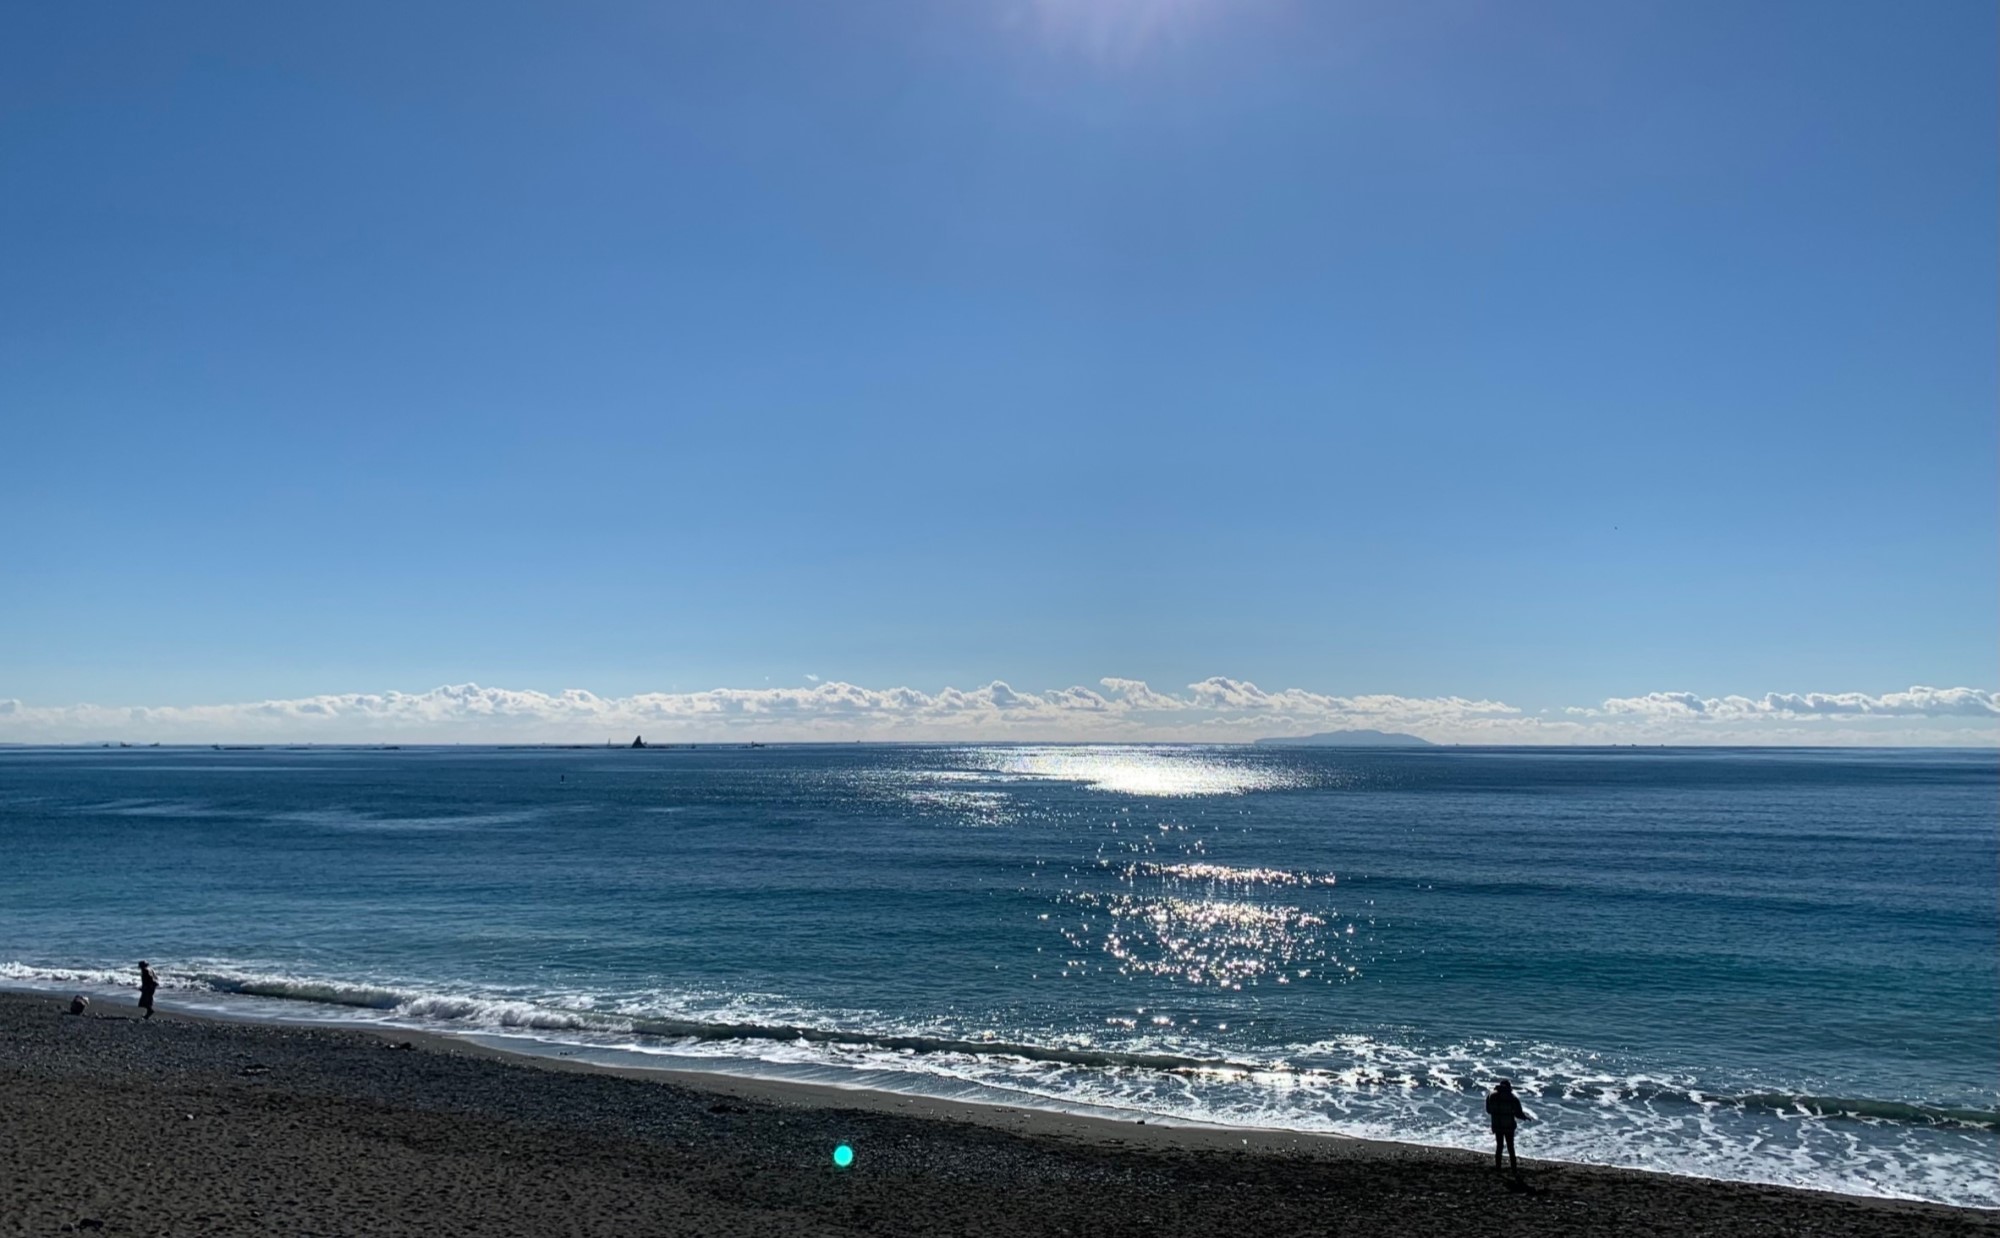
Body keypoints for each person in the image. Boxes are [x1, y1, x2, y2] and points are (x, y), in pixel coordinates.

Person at [1485, 1079, 1530, 1172]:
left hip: (1497, 1126)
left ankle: (1498, 1168)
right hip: (1509, 1127)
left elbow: (1489, 1111)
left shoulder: (1491, 1096)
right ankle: (1514, 1169)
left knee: (1499, 1147)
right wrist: (1525, 1117)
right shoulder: (1513, 1098)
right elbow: (1518, 1113)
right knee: (1510, 1148)